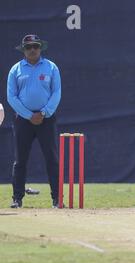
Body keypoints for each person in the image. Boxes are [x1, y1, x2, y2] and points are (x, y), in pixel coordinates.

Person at [7, 35, 61, 209]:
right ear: (23, 49)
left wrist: (44, 112)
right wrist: (29, 114)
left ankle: (57, 199)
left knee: (52, 159)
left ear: (40, 48)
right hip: (23, 120)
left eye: (35, 46)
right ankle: (17, 198)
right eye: (28, 47)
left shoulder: (51, 67)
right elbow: (11, 96)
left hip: (46, 119)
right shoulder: (15, 69)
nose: (32, 50)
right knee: (20, 160)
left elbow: (56, 93)